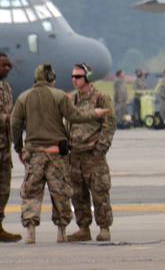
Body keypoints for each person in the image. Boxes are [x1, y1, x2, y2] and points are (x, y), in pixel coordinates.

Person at [10, 64, 109, 244]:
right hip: (56, 153)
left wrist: (18, 148)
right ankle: (61, 231)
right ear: (50, 78)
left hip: (34, 155)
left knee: (31, 192)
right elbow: (75, 116)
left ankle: (31, 232)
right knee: (60, 193)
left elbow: (14, 126)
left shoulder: (23, 98)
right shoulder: (60, 96)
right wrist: (95, 113)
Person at [65, 63, 115, 242]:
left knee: (99, 192)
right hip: (75, 155)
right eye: (73, 76)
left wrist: (100, 149)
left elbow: (109, 125)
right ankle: (83, 228)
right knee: (77, 194)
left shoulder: (101, 98)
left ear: (88, 78)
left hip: (93, 155)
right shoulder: (71, 100)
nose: (74, 80)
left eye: (78, 76)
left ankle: (104, 228)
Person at [0, 53, 21, 242]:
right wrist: (11, 119)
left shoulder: (7, 87)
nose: (8, 68)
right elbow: (8, 116)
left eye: (9, 65)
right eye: (4, 65)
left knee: (4, 190)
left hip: (4, 148)